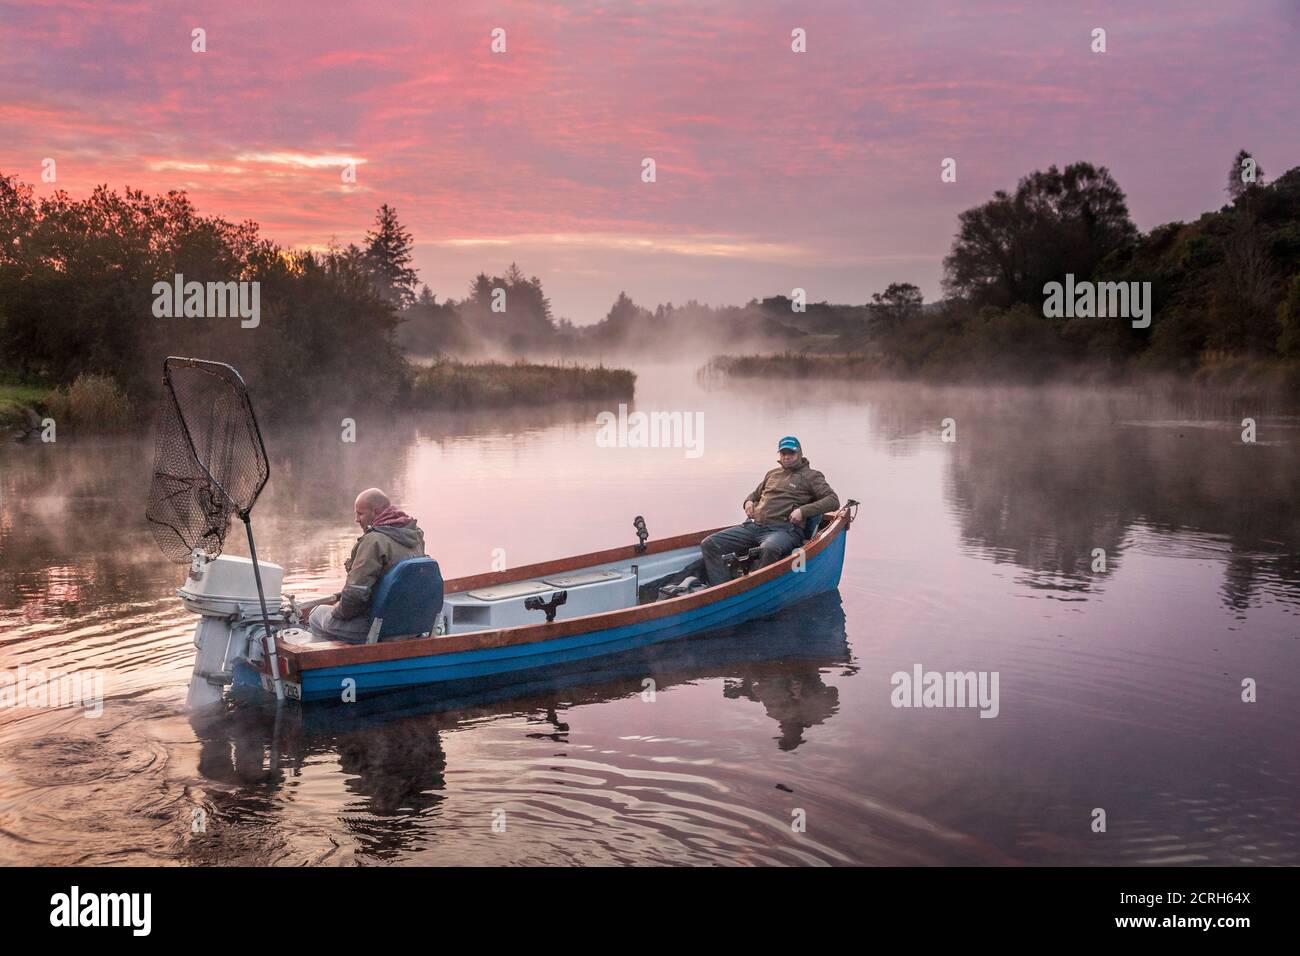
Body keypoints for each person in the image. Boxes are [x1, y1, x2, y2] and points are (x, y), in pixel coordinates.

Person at [700, 437, 839, 586]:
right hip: (755, 527)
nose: (786, 457)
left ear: (799, 454)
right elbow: (755, 495)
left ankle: (755, 588)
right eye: (783, 453)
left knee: (769, 548)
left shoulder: (812, 476)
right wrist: (748, 502)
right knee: (710, 543)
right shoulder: (772, 474)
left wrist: (803, 511)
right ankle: (721, 589)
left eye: (790, 453)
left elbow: (833, 500)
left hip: (785, 530)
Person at [307, 488, 426, 643]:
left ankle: (345, 662)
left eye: (360, 513)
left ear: (375, 512)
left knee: (317, 615)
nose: (357, 519)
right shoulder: (415, 536)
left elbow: (355, 594)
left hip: (380, 628)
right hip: (412, 625)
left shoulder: (374, 541)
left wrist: (337, 610)